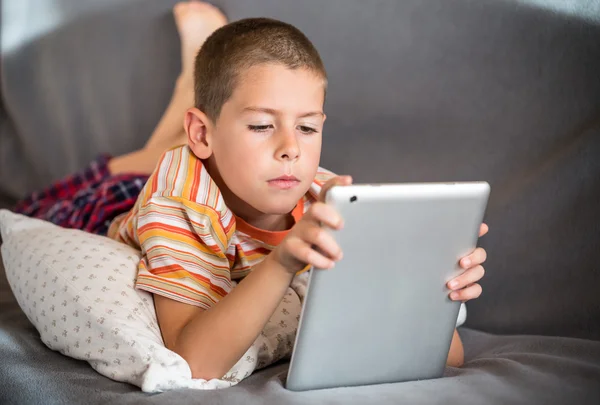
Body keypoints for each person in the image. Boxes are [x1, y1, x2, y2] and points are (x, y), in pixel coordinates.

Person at [15, 1, 489, 381]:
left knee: (193, 149)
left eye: (307, 127)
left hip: (212, 159)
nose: (290, 150)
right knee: (35, 206)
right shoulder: (178, 208)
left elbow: (450, 358)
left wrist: (424, 288)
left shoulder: (327, 199)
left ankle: (195, 113)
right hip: (111, 205)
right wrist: (282, 262)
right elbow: (194, 363)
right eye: (263, 125)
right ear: (204, 134)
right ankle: (186, 107)